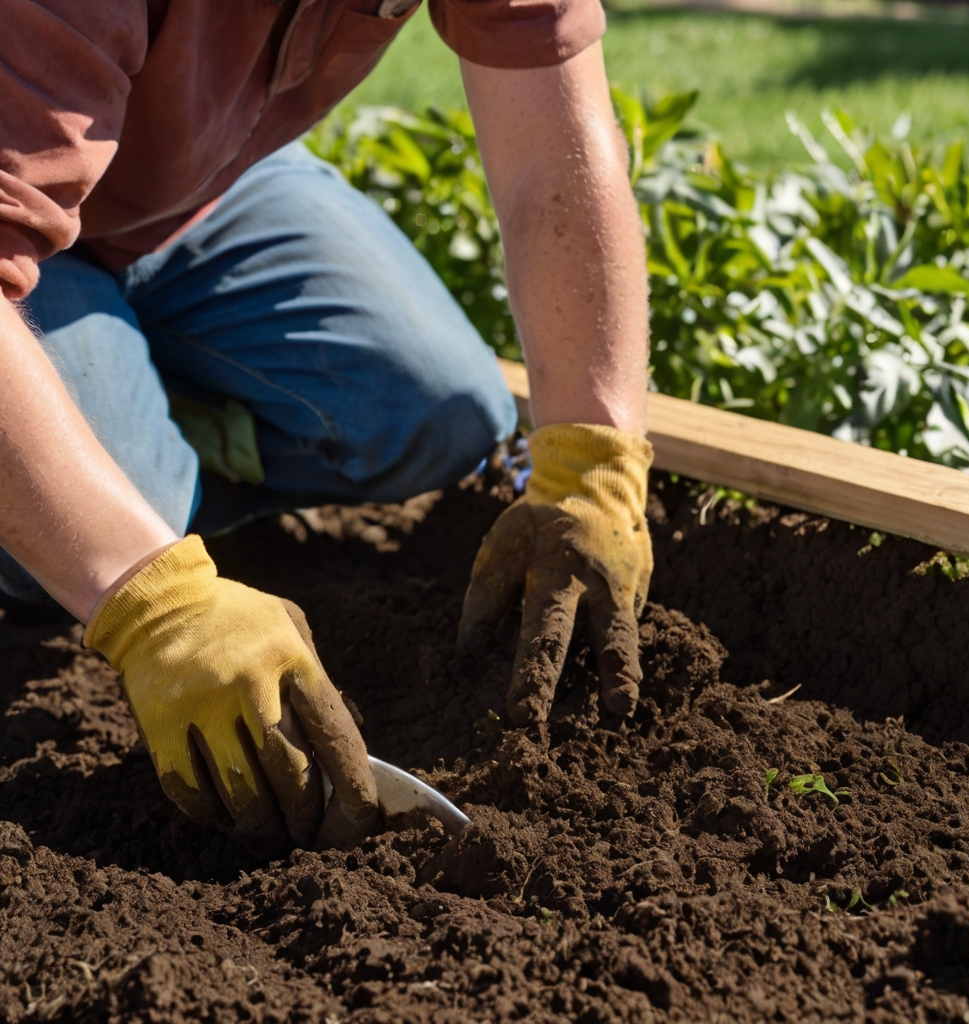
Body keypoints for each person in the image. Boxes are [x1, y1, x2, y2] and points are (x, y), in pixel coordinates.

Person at [0, 0, 653, 855]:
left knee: (439, 409)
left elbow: (551, 162)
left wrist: (594, 462)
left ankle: (132, 412)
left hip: (191, 189)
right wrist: (148, 596)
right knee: (85, 534)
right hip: (25, 209)